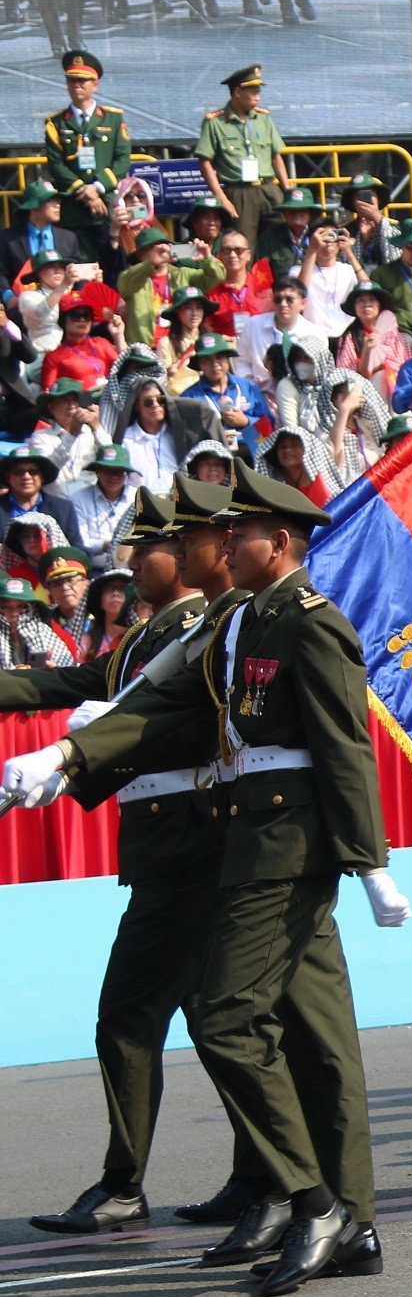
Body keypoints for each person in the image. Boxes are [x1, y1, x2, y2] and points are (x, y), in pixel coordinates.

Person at [4, 461, 405, 1294]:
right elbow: (169, 711)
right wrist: (73, 754)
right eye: (197, 535)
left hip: (278, 846)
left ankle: (312, 1200)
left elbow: (342, 745)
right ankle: (338, 1216)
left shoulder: (301, 622)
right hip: (241, 842)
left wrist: (369, 863)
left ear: (275, 542)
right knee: (307, 1037)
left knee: (241, 1021)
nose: (212, 544)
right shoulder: (234, 628)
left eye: (225, 533)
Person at [1, 486, 253, 1239]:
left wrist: (75, 754)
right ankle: (259, 1176)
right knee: (213, 1022)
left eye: (145, 552)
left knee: (133, 1016)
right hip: (166, 847)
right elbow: (63, 683)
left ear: (181, 556)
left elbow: (158, 723)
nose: (133, 567)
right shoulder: (147, 640)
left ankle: (127, 1185)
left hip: (191, 843)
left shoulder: (199, 631)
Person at [40, 50, 132, 264]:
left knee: (114, 263)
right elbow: (56, 164)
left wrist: (97, 188)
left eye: (82, 80)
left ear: (95, 84)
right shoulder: (56, 123)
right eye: (71, 80)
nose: (76, 85)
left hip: (107, 205)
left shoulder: (113, 118)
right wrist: (86, 193)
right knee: (82, 267)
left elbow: (122, 159)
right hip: (75, 209)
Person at [194, 66, 291, 249]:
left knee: (282, 239)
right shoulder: (215, 122)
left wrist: (287, 191)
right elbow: (205, 161)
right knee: (242, 246)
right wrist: (221, 197)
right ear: (238, 92)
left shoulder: (263, 119)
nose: (258, 97)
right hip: (239, 192)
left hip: (269, 188)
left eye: (258, 92)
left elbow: (275, 156)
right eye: (253, 92)